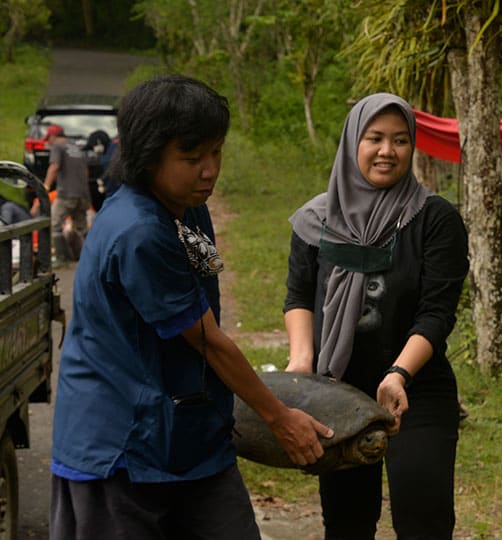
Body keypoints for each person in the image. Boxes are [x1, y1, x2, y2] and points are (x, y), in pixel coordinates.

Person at [50, 74, 333, 540]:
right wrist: (279, 418)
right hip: (121, 449)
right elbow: (212, 344)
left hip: (191, 435)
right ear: (147, 155)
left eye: (216, 152)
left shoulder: (188, 207)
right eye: (191, 157)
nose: (209, 170)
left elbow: (206, 276)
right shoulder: (138, 232)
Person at [284, 93, 469, 539]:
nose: (388, 151)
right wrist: (301, 366)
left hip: (415, 391)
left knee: (423, 519)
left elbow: (436, 313)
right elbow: (299, 296)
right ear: (353, 142)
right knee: (347, 523)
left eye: (401, 140)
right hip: (337, 390)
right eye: (375, 138)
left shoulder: (435, 219)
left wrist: (398, 374)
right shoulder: (317, 219)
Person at [40, 124, 91, 265]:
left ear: (53, 136)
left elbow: (54, 166)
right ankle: (89, 258)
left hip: (66, 194)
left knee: (54, 223)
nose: (48, 142)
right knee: (81, 226)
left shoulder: (58, 146)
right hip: (83, 194)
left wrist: (45, 186)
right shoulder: (76, 148)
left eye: (48, 138)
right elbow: (86, 171)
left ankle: (61, 259)